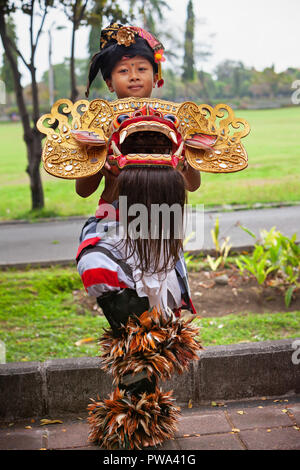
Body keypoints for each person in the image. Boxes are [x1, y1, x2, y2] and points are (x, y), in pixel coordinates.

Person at [75, 22, 202, 450]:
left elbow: (195, 184)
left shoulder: (174, 120)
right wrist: (101, 163)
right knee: (97, 270)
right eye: (123, 70)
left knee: (149, 320)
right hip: (112, 223)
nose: (133, 76)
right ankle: (139, 396)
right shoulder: (98, 124)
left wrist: (186, 162)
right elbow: (82, 188)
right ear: (109, 82)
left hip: (158, 228)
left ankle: (138, 408)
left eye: (141, 67)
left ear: (156, 75)